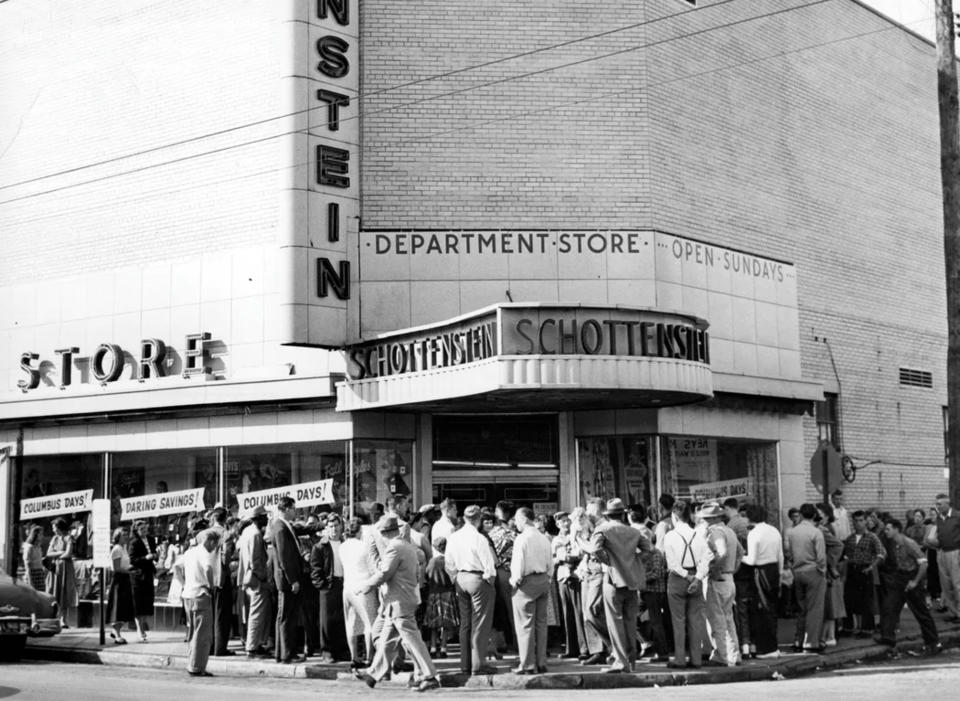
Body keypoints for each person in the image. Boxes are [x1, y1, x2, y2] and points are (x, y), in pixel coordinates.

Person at [354, 515, 441, 692]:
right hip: (400, 600)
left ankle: (430, 675)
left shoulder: (394, 547)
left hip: (399, 601)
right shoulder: (407, 545)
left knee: (413, 641)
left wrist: (367, 586)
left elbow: (385, 572)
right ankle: (373, 674)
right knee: (387, 639)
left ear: (386, 533)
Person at [589, 497, 649, 673]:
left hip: (613, 580)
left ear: (608, 515)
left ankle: (620, 661)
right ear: (622, 514)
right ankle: (630, 662)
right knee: (630, 622)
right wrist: (634, 563)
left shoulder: (603, 529)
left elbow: (595, 550)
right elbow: (649, 550)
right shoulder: (633, 531)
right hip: (631, 581)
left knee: (615, 623)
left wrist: (610, 563)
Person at [444, 504, 498, 676]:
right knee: (480, 623)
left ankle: (465, 665)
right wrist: (490, 579)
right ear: (479, 519)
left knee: (465, 624)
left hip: (461, 578)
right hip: (478, 578)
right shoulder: (479, 538)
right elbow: (489, 565)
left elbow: (449, 563)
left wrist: (455, 577)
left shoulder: (454, 537)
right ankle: (478, 664)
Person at [875, 518, 942, 656]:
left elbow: (924, 564)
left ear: (896, 529)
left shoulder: (909, 543)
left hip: (912, 578)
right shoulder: (894, 543)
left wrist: (915, 582)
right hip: (900, 577)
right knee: (889, 606)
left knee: (920, 612)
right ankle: (888, 638)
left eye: (888, 529)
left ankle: (933, 642)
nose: (886, 531)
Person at [662, 499, 710, 669]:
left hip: (677, 579)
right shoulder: (699, 534)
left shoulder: (670, 536)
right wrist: (697, 578)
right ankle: (696, 659)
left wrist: (687, 577)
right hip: (696, 577)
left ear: (675, 516)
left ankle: (680, 658)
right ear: (689, 515)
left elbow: (672, 563)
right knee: (695, 621)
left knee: (678, 621)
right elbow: (706, 560)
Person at [509, 507, 553, 674]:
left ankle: (527, 664)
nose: (516, 523)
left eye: (517, 519)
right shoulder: (544, 538)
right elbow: (551, 563)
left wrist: (514, 581)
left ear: (524, 519)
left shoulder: (522, 539)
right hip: (543, 580)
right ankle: (541, 662)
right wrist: (547, 578)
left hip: (526, 582)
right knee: (541, 624)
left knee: (525, 625)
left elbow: (518, 564)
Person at [698, 502, 741, 667]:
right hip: (729, 578)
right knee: (728, 618)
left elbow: (721, 552)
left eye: (707, 519)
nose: (704, 521)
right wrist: (732, 569)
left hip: (718, 578)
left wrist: (716, 570)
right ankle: (733, 654)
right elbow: (740, 553)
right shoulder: (729, 530)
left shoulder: (715, 532)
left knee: (716, 620)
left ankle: (722, 655)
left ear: (714, 518)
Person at [785, 503, 827, 653]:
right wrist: (822, 570)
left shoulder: (792, 532)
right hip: (813, 571)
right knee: (815, 609)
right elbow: (821, 557)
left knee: (801, 609)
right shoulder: (816, 533)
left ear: (801, 515)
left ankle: (799, 639)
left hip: (798, 571)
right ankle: (811, 643)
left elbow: (789, 553)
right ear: (814, 515)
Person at [268, 496, 306, 664]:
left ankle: (281, 652)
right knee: (286, 617)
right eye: (293, 508)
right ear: (286, 509)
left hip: (287, 578)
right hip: (287, 579)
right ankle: (287, 654)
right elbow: (284, 557)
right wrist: (293, 580)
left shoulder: (284, 526)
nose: (295, 511)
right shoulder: (280, 527)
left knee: (284, 616)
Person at [310, 513, 350, 663]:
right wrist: (323, 586)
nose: (334, 529)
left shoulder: (345, 543)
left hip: (344, 584)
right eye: (331, 526)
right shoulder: (320, 546)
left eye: (336, 526)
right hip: (329, 585)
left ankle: (342, 649)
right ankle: (327, 651)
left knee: (342, 618)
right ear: (326, 528)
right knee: (327, 620)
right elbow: (315, 570)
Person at [182, 528, 222, 677]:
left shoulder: (189, 552)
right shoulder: (204, 553)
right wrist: (211, 586)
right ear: (210, 541)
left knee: (193, 632)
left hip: (188, 595)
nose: (214, 548)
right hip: (201, 594)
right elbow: (208, 569)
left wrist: (185, 582)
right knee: (202, 634)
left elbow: (176, 567)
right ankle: (197, 666)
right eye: (215, 544)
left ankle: (192, 662)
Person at [339, 517, 378, 667]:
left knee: (351, 623)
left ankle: (354, 657)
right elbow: (371, 566)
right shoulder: (364, 546)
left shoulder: (343, 547)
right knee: (369, 623)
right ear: (360, 530)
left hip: (348, 586)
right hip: (364, 586)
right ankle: (369, 657)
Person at [842, 510, 886, 636]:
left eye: (861, 520)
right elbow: (846, 557)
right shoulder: (850, 539)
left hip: (865, 569)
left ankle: (867, 628)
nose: (858, 524)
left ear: (865, 521)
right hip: (852, 568)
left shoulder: (872, 537)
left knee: (866, 600)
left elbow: (881, 554)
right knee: (849, 599)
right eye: (855, 521)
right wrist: (844, 574)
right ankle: (849, 627)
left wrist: (871, 567)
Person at [552, 511, 587, 660]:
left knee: (579, 612)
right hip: (563, 577)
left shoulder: (576, 535)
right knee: (567, 614)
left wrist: (568, 557)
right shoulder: (555, 540)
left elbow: (581, 553)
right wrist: (560, 559)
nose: (565, 524)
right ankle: (571, 647)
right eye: (562, 521)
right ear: (557, 524)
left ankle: (584, 648)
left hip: (575, 576)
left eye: (567, 521)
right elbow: (552, 558)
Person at [237, 505, 272, 658]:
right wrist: (263, 578)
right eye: (264, 516)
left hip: (248, 578)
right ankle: (252, 646)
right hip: (256, 579)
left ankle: (254, 643)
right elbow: (256, 561)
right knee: (257, 613)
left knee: (253, 612)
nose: (267, 518)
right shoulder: (256, 534)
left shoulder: (247, 532)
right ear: (258, 518)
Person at [815, 502, 846, 647]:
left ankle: (829, 636)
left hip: (826, 571)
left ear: (826, 515)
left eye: (819, 513)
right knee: (829, 604)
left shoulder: (824, 529)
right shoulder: (823, 527)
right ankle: (830, 635)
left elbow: (838, 545)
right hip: (827, 570)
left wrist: (829, 562)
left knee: (829, 605)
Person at [424, 536, 458, 659]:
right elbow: (453, 577)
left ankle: (433, 648)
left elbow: (427, 575)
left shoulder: (432, 562)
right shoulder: (448, 561)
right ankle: (443, 649)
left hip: (433, 593)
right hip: (447, 593)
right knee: (446, 625)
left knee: (433, 625)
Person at [45, 517, 78, 628]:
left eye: (54, 527)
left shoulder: (69, 538)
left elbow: (69, 554)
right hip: (55, 568)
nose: (53, 529)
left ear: (59, 527)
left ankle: (63, 619)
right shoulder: (54, 539)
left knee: (64, 592)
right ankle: (54, 618)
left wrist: (58, 555)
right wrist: (61, 553)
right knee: (54, 591)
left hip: (65, 568)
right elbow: (48, 553)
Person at [106, 527, 137, 645]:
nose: (126, 537)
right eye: (123, 535)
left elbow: (124, 564)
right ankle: (117, 633)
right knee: (118, 607)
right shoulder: (117, 549)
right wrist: (130, 572)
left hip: (125, 579)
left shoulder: (123, 549)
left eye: (127, 534)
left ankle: (116, 631)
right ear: (117, 536)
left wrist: (131, 569)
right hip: (119, 580)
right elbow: (116, 568)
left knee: (124, 606)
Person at [128, 520, 157, 642]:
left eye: (146, 529)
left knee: (147, 602)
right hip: (138, 575)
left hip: (148, 573)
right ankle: (140, 629)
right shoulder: (134, 542)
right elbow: (132, 559)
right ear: (136, 531)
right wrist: (145, 558)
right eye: (142, 530)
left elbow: (154, 552)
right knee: (139, 603)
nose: (145, 532)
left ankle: (143, 625)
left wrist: (155, 555)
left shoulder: (150, 539)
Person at [934, 493, 960, 623]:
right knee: (946, 585)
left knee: (957, 584)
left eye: (939, 504)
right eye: (936, 504)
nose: (937, 506)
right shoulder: (938, 518)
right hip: (942, 552)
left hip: (955, 552)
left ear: (947, 504)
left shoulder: (957, 516)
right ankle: (953, 612)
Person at [22, 525, 46, 591]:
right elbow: (27, 563)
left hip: (40, 572)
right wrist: (30, 579)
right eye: (40, 534)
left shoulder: (38, 547)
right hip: (32, 573)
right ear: (35, 534)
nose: (42, 536)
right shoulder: (29, 547)